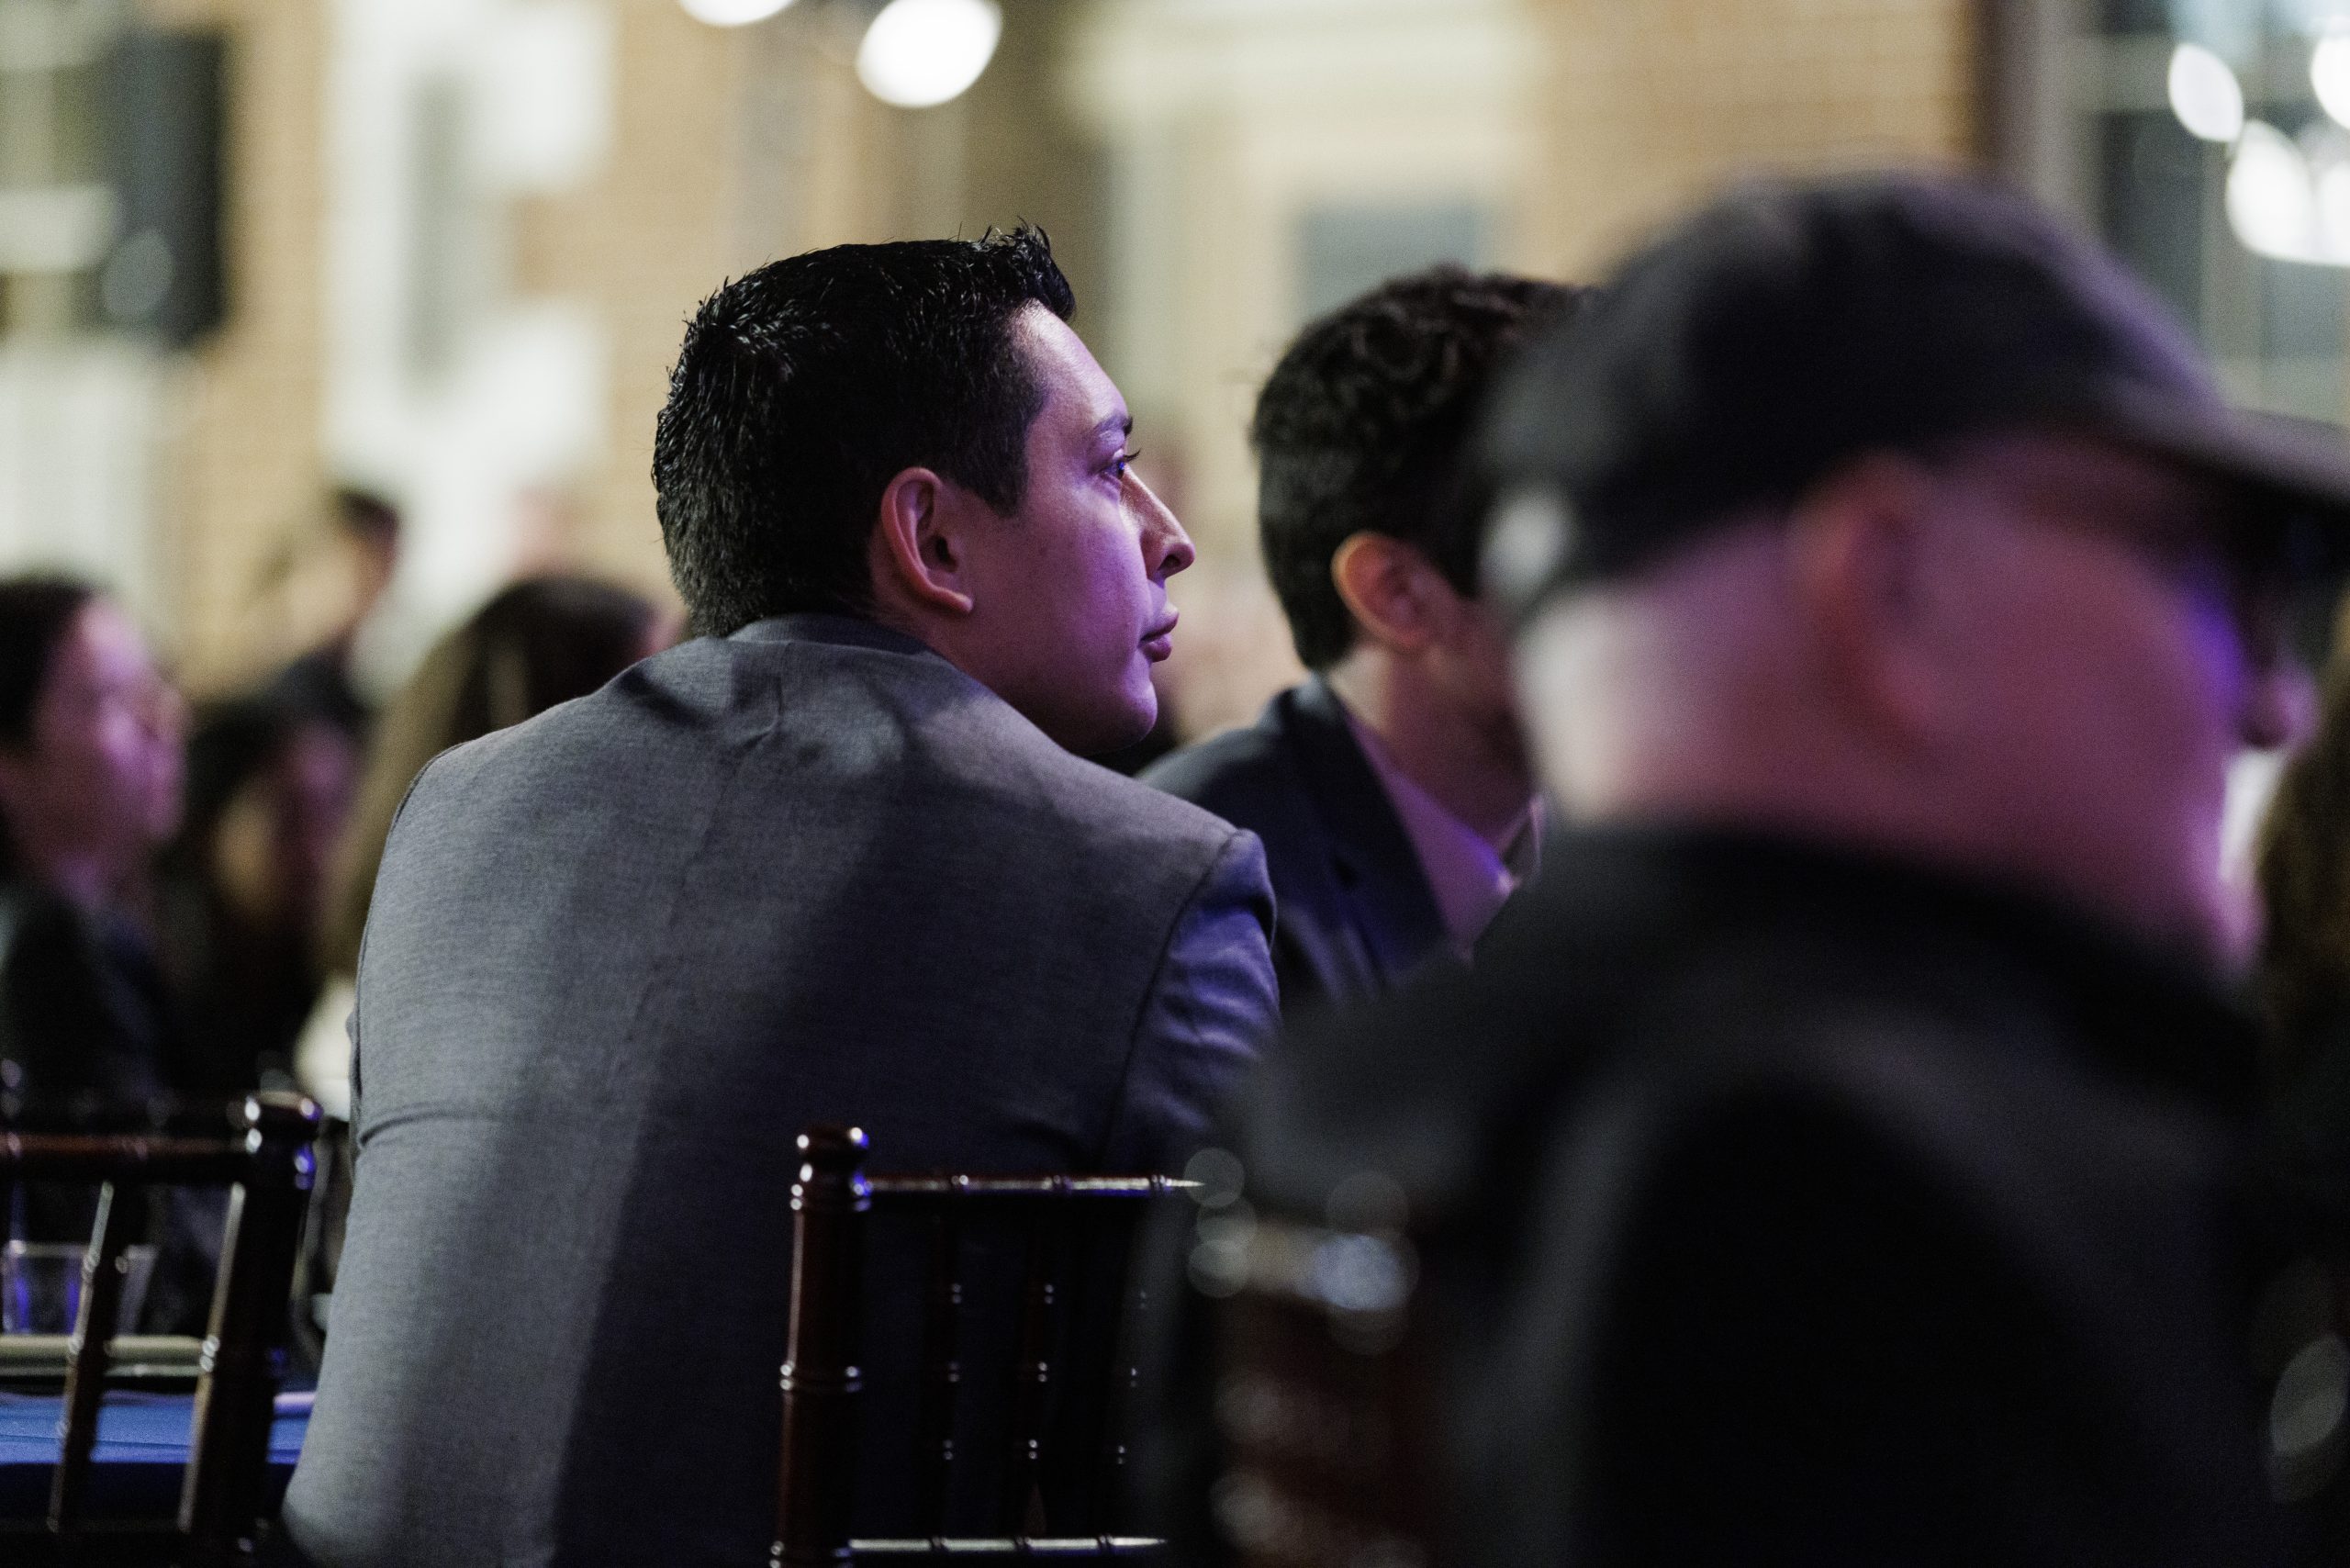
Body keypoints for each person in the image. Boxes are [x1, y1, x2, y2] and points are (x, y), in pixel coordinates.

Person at [1153, 175, 2350, 1566]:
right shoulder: (1922, 1181)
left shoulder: (1317, 1106)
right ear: (1891, 586)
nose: (2273, 705)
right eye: (2207, 574)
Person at [285, 229, 1277, 1565]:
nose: (1170, 540)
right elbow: (1229, 1421)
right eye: (1110, 469)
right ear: (929, 535)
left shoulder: (460, 811)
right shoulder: (1149, 878)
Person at [1145, 270, 1576, 1012]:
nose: (1664, 598)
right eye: (1599, 537)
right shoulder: (1185, 887)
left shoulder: (1633, 839)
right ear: (1397, 594)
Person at [0, 577, 185, 1138]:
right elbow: (139, 1214)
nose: (163, 720)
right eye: (109, 697)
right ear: (10, 763)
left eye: (155, 688)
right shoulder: (56, 949)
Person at [154, 697, 358, 1103]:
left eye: (335, 814)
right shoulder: (160, 992)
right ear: (209, 827)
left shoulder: (340, 995)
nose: (318, 853)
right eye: (290, 818)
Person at [265, 487, 400, 743]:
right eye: (373, 560)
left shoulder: (347, 691)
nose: (382, 585)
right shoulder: (277, 701)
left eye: (390, 565)